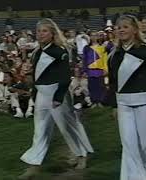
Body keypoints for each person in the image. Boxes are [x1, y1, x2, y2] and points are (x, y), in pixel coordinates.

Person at [18, 18, 94, 180]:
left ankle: (82, 155)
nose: (40, 34)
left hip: (57, 94)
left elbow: (65, 77)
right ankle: (34, 163)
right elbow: (36, 78)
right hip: (41, 94)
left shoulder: (59, 52)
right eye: (38, 31)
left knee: (68, 126)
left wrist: (59, 97)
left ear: (52, 33)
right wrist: (27, 76)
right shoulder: (37, 52)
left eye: (44, 31)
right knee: (40, 129)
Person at [107, 15, 146, 180]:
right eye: (118, 27)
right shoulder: (114, 55)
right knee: (129, 144)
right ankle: (137, 176)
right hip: (123, 104)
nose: (121, 30)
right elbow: (113, 83)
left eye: (125, 26)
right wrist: (114, 105)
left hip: (145, 102)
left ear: (135, 29)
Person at [82, 30, 108, 108]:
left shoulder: (102, 47)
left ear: (98, 37)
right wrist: (85, 70)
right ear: (89, 37)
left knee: (100, 86)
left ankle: (100, 101)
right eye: (92, 35)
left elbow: (104, 59)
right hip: (90, 70)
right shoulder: (87, 48)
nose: (93, 37)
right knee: (92, 86)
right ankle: (93, 101)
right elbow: (84, 59)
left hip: (99, 69)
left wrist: (105, 69)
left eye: (95, 35)